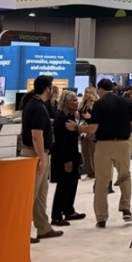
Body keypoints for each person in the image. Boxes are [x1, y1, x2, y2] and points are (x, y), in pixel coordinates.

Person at [74, 78, 132, 228]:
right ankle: (126, 208)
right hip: (123, 144)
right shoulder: (126, 102)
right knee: (125, 176)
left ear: (101, 90)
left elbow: (93, 129)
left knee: (102, 181)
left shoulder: (99, 104)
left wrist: (78, 128)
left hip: (104, 145)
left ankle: (101, 218)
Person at [21, 75, 63, 242]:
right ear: (47, 89)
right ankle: (22, 232)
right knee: (31, 195)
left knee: (40, 194)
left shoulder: (35, 104)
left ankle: (43, 228)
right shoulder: (37, 107)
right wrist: (41, 159)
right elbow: (36, 136)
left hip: (38, 153)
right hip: (35, 154)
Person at [50, 90, 85, 226]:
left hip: (73, 154)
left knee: (73, 182)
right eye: (74, 100)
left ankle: (69, 210)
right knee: (64, 185)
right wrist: (67, 160)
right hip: (64, 156)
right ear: (66, 103)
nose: (77, 102)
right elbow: (61, 141)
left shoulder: (71, 116)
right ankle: (56, 215)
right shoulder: (61, 119)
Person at [79, 87, 98, 180]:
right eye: (85, 92)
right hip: (83, 128)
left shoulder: (96, 104)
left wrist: (91, 117)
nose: (86, 94)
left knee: (93, 151)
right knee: (85, 151)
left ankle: (96, 171)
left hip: (92, 128)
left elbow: (99, 118)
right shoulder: (83, 104)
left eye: (88, 92)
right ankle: (90, 172)